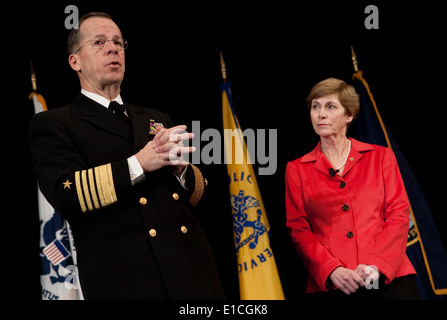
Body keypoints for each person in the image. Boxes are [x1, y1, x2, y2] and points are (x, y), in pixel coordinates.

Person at [29, 12, 225, 300]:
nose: (113, 48)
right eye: (99, 42)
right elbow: (64, 193)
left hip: (192, 270)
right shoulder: (56, 123)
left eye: (119, 43)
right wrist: (139, 164)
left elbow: (198, 197)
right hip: (126, 277)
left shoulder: (155, 117)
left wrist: (181, 170)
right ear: (75, 61)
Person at [285, 78, 419, 299]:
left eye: (330, 106)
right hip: (334, 284)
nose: (320, 114)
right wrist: (331, 269)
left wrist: (376, 265)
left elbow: (398, 215)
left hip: (388, 280)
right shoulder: (297, 169)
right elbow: (298, 229)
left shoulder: (380, 157)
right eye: (315, 107)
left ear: (349, 115)